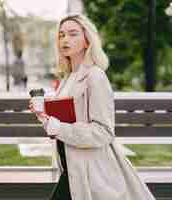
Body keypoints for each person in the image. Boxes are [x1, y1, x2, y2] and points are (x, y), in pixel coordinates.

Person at [29, 13, 156, 200]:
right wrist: (44, 117)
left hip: (90, 174)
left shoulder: (95, 76)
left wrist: (56, 126)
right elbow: (64, 124)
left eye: (73, 34)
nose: (65, 39)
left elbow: (104, 132)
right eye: (62, 35)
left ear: (87, 40)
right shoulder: (68, 78)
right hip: (71, 170)